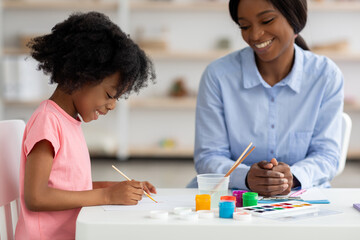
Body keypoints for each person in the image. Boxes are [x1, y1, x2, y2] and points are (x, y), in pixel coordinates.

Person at [15, 12, 156, 240]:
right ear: (81, 75)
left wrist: (112, 188)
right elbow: (36, 197)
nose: (112, 106)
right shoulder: (47, 121)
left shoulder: (68, 122)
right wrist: (107, 196)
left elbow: (69, 186)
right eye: (110, 94)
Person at [187, 0, 343, 197]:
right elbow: (208, 156)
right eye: (244, 26)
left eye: (267, 20)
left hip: (302, 195)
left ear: (295, 18)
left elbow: (327, 156)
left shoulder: (325, 75)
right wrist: (245, 177)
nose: (254, 35)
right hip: (231, 195)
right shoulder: (218, 75)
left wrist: (292, 177)